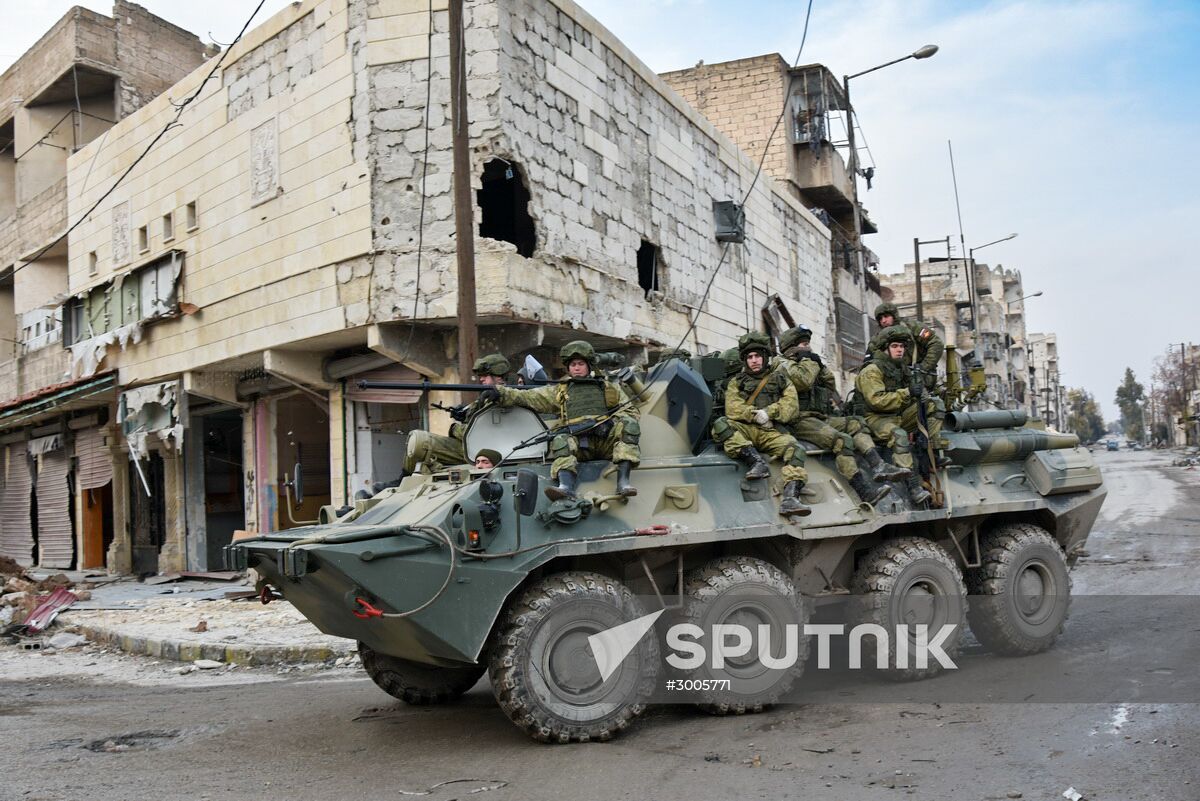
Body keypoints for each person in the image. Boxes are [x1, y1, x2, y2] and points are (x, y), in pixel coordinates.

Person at [481, 340, 640, 500]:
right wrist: (500, 393)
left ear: (589, 366)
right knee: (560, 440)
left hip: (606, 443)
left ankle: (623, 482)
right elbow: (529, 396)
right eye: (573, 365)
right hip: (579, 446)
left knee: (630, 426)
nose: (576, 368)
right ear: (568, 368)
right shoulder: (560, 391)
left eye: (580, 364)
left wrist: (609, 423)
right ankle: (566, 486)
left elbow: (631, 412)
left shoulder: (609, 388)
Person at [776, 326, 907, 504]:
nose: (808, 348)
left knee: (856, 423)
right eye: (803, 344)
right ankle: (864, 492)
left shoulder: (807, 362)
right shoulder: (781, 363)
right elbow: (803, 381)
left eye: (808, 344)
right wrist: (809, 361)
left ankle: (878, 465)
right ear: (791, 347)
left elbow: (830, 384)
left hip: (820, 416)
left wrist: (819, 365)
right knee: (841, 441)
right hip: (798, 419)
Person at [711, 332, 810, 517]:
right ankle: (756, 462)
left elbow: (791, 405)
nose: (754, 360)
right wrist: (755, 415)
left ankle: (791, 498)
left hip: (770, 431)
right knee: (721, 425)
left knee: (796, 449)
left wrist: (769, 413)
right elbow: (733, 408)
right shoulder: (737, 382)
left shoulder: (780, 379)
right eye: (749, 357)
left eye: (757, 356)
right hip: (746, 429)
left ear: (765, 357)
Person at [856, 326, 946, 505]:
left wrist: (921, 390)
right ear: (885, 348)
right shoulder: (872, 370)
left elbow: (916, 393)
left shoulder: (900, 367)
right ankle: (913, 487)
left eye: (902, 346)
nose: (900, 350)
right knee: (900, 436)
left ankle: (930, 452)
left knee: (935, 405)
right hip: (874, 418)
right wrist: (908, 392)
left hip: (897, 414)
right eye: (895, 346)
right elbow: (877, 401)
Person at [403, 353, 510, 473]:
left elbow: (477, 434)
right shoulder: (488, 396)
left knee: (419, 441)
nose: (481, 379)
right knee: (416, 440)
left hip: (478, 450)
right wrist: (464, 415)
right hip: (472, 447)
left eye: (485, 375)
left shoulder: (503, 398)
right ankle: (405, 478)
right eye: (481, 376)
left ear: (499, 377)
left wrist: (454, 429)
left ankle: (404, 477)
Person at [868, 302, 944, 389]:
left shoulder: (913, 327)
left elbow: (935, 343)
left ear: (894, 316)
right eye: (880, 319)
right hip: (893, 381)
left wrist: (923, 367)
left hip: (920, 379)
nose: (883, 321)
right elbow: (870, 359)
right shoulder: (878, 338)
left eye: (886, 316)